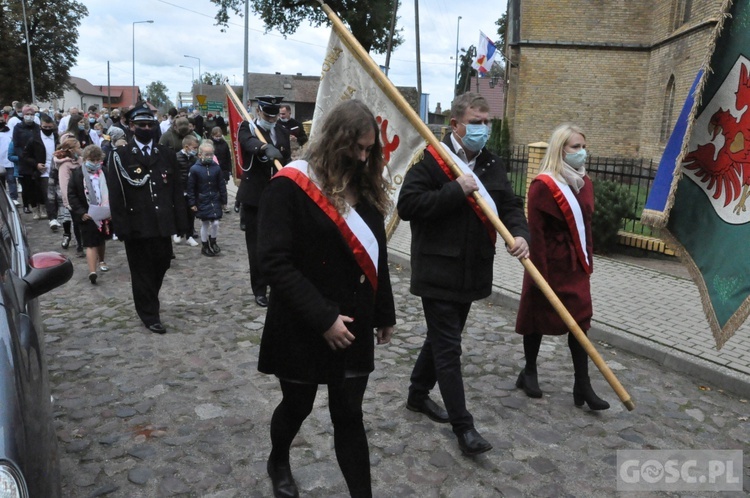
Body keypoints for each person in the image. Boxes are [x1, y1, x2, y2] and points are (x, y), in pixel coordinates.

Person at [256, 99, 395, 498]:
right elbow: (274, 263)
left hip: (353, 323)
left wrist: (383, 311)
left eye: (370, 149)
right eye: (357, 148)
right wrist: (323, 319)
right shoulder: (289, 186)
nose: (363, 157)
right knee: (296, 405)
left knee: (349, 415)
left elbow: (376, 254)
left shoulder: (363, 186)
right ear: (336, 141)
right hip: (302, 322)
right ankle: (279, 458)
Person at [398, 92, 530, 456]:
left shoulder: (491, 163)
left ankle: (416, 393)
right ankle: (464, 427)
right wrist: (455, 189)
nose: (483, 130)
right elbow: (408, 205)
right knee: (448, 348)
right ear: (456, 125)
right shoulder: (432, 159)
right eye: (476, 123)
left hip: (472, 271)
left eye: (487, 123)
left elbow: (509, 204)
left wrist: (520, 233)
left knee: (444, 337)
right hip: (437, 270)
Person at [515, 123, 610, 410]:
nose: (582, 152)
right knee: (538, 315)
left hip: (575, 263)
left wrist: (588, 258)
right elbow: (538, 233)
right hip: (548, 262)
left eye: (583, 146)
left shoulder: (585, 183)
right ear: (561, 150)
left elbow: (587, 226)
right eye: (575, 147)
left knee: (580, 321)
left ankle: (582, 384)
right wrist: (540, 276)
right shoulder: (543, 186)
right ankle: (529, 371)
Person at [106, 102, 187, 334]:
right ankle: (150, 314)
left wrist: (181, 223)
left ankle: (150, 299)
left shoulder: (166, 154)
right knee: (141, 271)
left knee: (162, 263)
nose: (146, 128)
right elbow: (116, 194)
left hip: (162, 223)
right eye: (141, 125)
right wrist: (120, 227)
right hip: (137, 225)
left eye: (150, 124)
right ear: (131, 126)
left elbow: (175, 191)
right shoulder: (120, 156)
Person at [236, 95, 291, 307]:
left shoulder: (282, 132)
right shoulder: (248, 128)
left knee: (277, 243)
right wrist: (263, 148)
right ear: (259, 112)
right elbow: (247, 143)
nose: (272, 118)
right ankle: (259, 289)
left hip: (277, 197)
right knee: (256, 246)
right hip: (255, 199)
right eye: (268, 114)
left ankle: (276, 282)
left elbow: (285, 161)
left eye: (275, 115)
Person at [68, 145, 112, 285]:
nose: (94, 162)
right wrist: (81, 212)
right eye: (92, 160)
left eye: (97, 160)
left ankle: (102, 259)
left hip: (103, 211)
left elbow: (111, 190)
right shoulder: (77, 174)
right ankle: (92, 271)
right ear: (86, 159)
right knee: (90, 243)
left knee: (101, 239)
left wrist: (110, 210)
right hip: (87, 214)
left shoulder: (104, 171)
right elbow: (72, 195)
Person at [187, 140, 227, 257]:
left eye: (211, 154)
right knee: (205, 223)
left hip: (214, 198)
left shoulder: (216, 168)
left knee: (215, 223)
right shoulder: (195, 169)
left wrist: (224, 201)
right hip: (202, 199)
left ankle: (213, 241)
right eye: (207, 154)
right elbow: (191, 188)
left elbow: (221, 185)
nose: (209, 157)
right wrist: (192, 203)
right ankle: (205, 245)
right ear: (200, 155)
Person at [21, 113, 58, 222]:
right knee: (48, 195)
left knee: (57, 195)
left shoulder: (57, 137)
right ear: (41, 126)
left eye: (50, 127)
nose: (47, 129)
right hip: (44, 172)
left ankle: (57, 215)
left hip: (57, 169)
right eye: (45, 127)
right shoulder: (34, 139)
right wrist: (36, 164)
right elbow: (25, 155)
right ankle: (52, 218)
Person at [13, 105, 43, 215]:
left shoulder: (37, 127)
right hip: (24, 161)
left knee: (38, 186)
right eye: (27, 114)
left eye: (32, 114)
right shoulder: (18, 127)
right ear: (23, 115)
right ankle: (31, 206)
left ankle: (41, 206)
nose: (29, 116)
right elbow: (16, 145)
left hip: (37, 160)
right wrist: (23, 156)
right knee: (27, 186)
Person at [174, 135, 200, 247]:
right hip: (179, 190)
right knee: (180, 213)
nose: (195, 150)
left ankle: (189, 235)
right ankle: (178, 232)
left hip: (191, 190)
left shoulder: (194, 159)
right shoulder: (176, 157)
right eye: (194, 147)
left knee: (191, 214)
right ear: (186, 146)